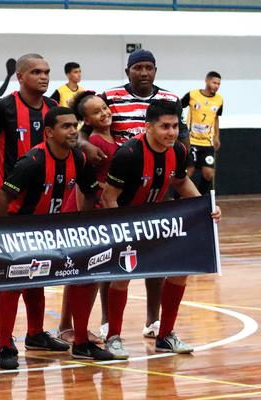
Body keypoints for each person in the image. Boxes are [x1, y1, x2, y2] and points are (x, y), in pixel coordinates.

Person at [101, 99, 221, 359]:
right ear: (148, 127)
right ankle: (113, 338)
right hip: (128, 223)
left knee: (180, 272)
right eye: (165, 126)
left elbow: (181, 182)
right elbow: (109, 197)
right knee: (122, 277)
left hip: (157, 222)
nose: (171, 132)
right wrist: (121, 230)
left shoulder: (178, 150)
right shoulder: (129, 154)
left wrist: (206, 205)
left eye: (175, 126)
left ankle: (165, 336)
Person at [0, 106, 114, 365]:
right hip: (22, 231)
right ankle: (4, 345)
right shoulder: (32, 162)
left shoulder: (79, 158)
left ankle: (78, 342)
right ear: (48, 132)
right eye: (66, 126)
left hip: (56, 231)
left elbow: (91, 191)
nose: (73, 131)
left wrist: (85, 225)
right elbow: (2, 197)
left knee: (85, 273)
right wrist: (2, 234)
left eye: (75, 125)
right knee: (15, 283)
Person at [0, 53, 68, 370]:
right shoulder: (2, 108)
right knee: (10, 276)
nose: (44, 77)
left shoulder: (53, 110)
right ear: (20, 77)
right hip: (11, 204)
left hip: (44, 206)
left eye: (47, 71)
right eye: (36, 72)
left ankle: (35, 333)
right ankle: (5, 343)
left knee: (39, 271)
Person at [96, 49, 189, 340]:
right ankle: (109, 326)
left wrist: (206, 207)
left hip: (158, 183)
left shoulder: (171, 102)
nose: (144, 72)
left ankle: (156, 322)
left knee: (161, 263)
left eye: (149, 67)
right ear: (128, 72)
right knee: (114, 265)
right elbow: (90, 128)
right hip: (120, 184)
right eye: (138, 67)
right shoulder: (109, 96)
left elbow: (183, 175)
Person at [56, 91, 118, 345]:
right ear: (87, 121)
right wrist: (86, 217)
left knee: (89, 271)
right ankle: (68, 326)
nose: (104, 113)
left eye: (104, 108)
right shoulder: (95, 143)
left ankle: (71, 325)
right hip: (89, 207)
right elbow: (85, 183)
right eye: (96, 112)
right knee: (83, 270)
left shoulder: (109, 137)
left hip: (101, 205)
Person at [181, 71, 223, 195]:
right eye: (214, 82)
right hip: (191, 141)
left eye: (218, 84)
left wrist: (216, 136)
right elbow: (178, 107)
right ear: (207, 81)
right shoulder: (193, 94)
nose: (216, 86)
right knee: (188, 172)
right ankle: (175, 199)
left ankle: (200, 200)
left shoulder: (219, 100)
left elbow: (216, 118)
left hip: (207, 142)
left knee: (209, 174)